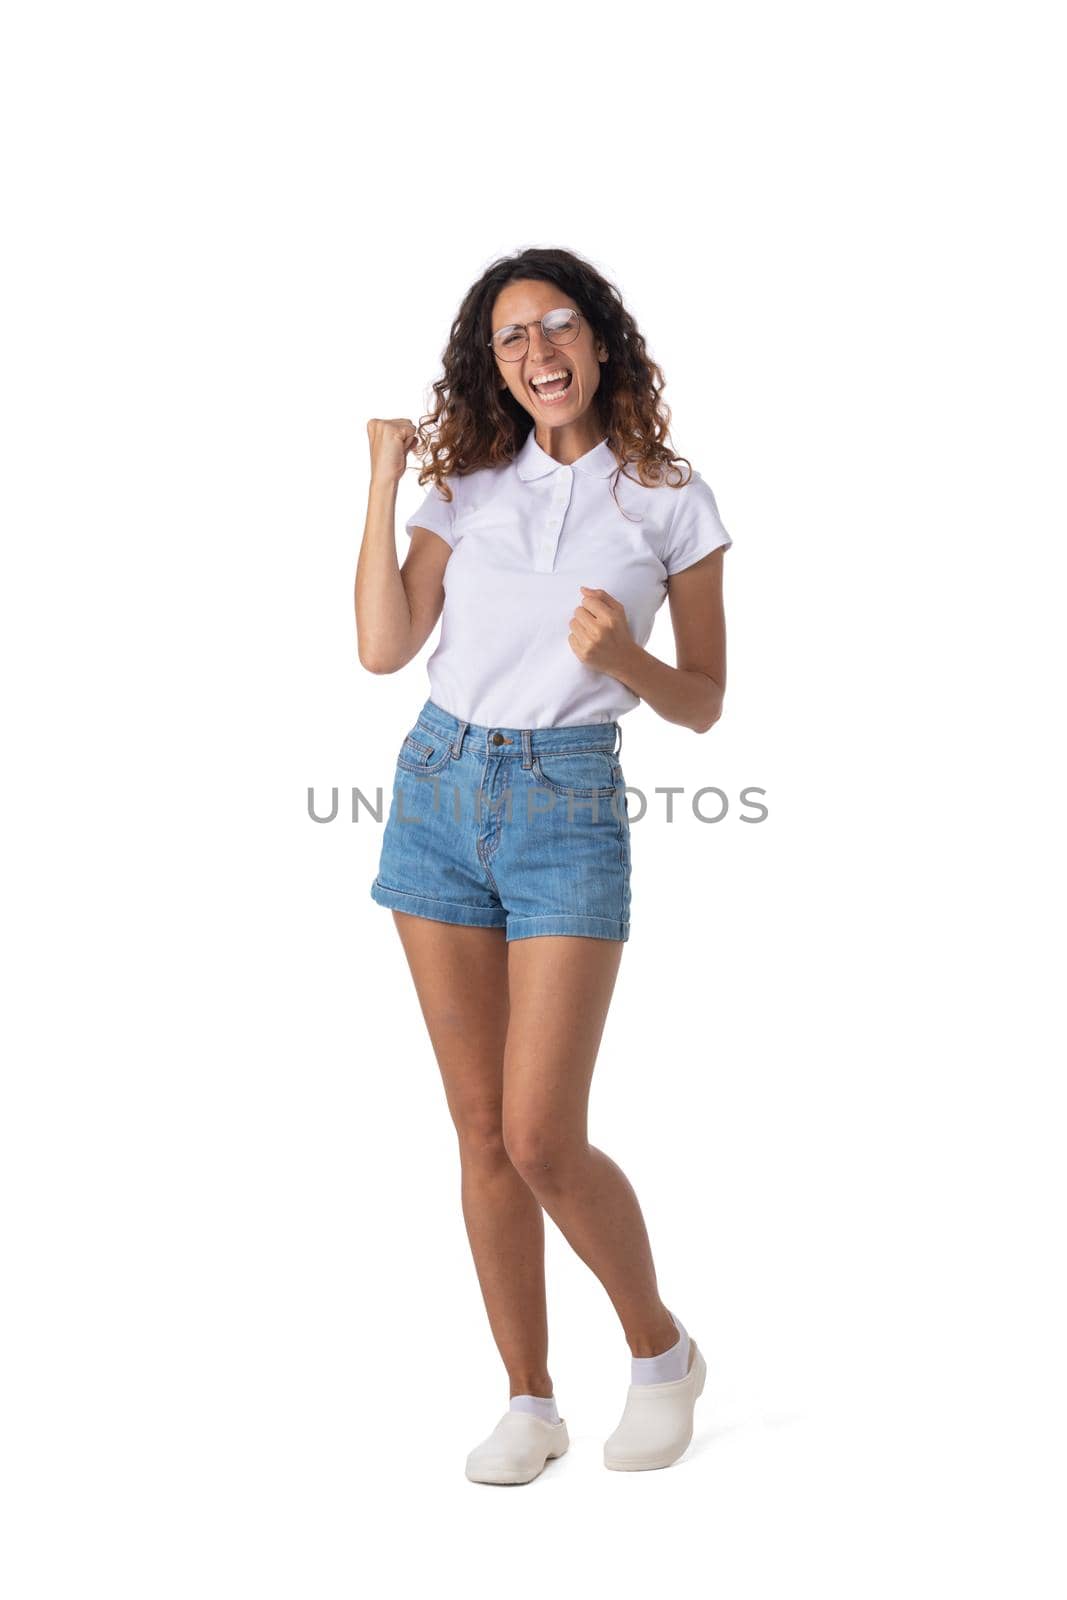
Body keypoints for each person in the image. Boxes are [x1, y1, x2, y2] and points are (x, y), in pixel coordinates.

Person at [354, 246, 732, 1484]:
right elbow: (382, 647)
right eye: (513, 338)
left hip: (567, 800)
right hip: (433, 790)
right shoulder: (461, 488)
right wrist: (377, 481)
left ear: (600, 340)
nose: (539, 353)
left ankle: (660, 1352)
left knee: (540, 1135)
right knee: (476, 1132)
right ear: (495, 365)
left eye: (559, 326)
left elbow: (704, 704)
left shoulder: (667, 498)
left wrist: (624, 656)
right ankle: (528, 1398)